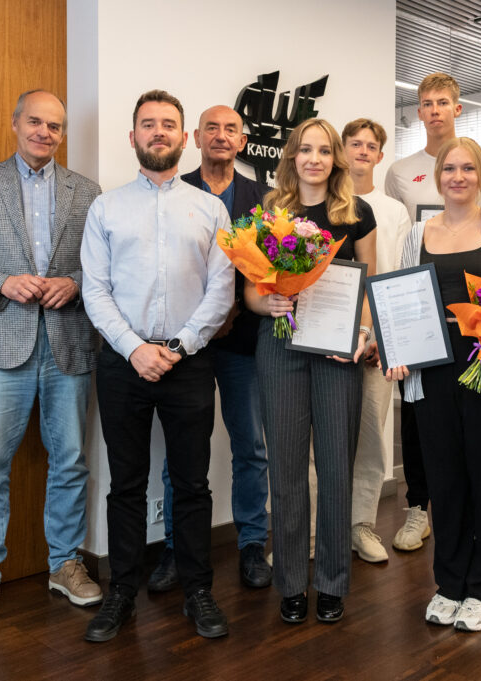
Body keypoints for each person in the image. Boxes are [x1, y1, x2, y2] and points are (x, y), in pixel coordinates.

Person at [0, 89, 103, 630]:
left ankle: (65, 564)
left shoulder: (87, 191)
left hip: (68, 345)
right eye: (35, 122)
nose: (44, 133)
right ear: (15, 123)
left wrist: (73, 283)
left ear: (62, 134)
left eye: (54, 126)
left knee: (70, 460)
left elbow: (102, 267)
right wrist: (2, 282)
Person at [79, 90, 235, 641]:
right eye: (148, 124)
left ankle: (197, 591)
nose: (159, 131)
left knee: (191, 483)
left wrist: (181, 345)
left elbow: (221, 289)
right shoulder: (106, 208)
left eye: (169, 123)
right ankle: (121, 591)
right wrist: (134, 348)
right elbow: (95, 290)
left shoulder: (211, 209)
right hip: (123, 364)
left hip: (188, 363)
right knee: (126, 483)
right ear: (133, 137)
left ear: (184, 137)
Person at [384, 137, 481, 632]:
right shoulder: (416, 233)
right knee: (444, 482)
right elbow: (401, 302)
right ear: (437, 176)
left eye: (468, 168)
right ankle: (449, 585)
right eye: (450, 169)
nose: (458, 177)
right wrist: (395, 353)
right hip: (431, 372)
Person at [244, 118, 377, 624]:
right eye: (305, 150)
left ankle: (333, 582)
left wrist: (362, 335)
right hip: (280, 347)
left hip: (338, 352)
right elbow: (251, 291)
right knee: (286, 467)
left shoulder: (356, 212)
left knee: (337, 465)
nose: (314, 159)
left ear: (335, 158)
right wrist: (268, 304)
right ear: (292, 157)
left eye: (324, 150)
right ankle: (292, 583)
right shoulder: (270, 213)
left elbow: (369, 285)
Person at [147, 105, 272, 592]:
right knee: (180, 453)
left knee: (251, 447)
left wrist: (234, 311)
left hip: (244, 342)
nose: (221, 136)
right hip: (186, 345)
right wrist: (202, 323)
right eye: (212, 128)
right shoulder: (173, 191)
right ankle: (176, 547)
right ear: (195, 138)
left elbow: (270, 269)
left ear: (243, 142)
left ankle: (251, 544)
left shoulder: (264, 199)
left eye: (231, 129)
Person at [384, 72, 481, 553]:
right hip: (423, 328)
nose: (434, 110)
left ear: (458, 108)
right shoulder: (400, 172)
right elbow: (402, 252)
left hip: (479, 339)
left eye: (443, 102)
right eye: (426, 103)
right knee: (422, 430)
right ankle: (419, 508)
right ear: (418, 111)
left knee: (480, 453)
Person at [341, 118, 411, 563]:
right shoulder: (324, 200)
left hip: (376, 341)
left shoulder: (394, 210)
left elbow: (399, 276)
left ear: (380, 156)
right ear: (342, 150)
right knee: (318, 443)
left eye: (371, 146)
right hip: (328, 336)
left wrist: (383, 338)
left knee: (370, 436)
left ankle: (361, 525)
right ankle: (313, 530)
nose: (363, 151)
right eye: (355, 144)